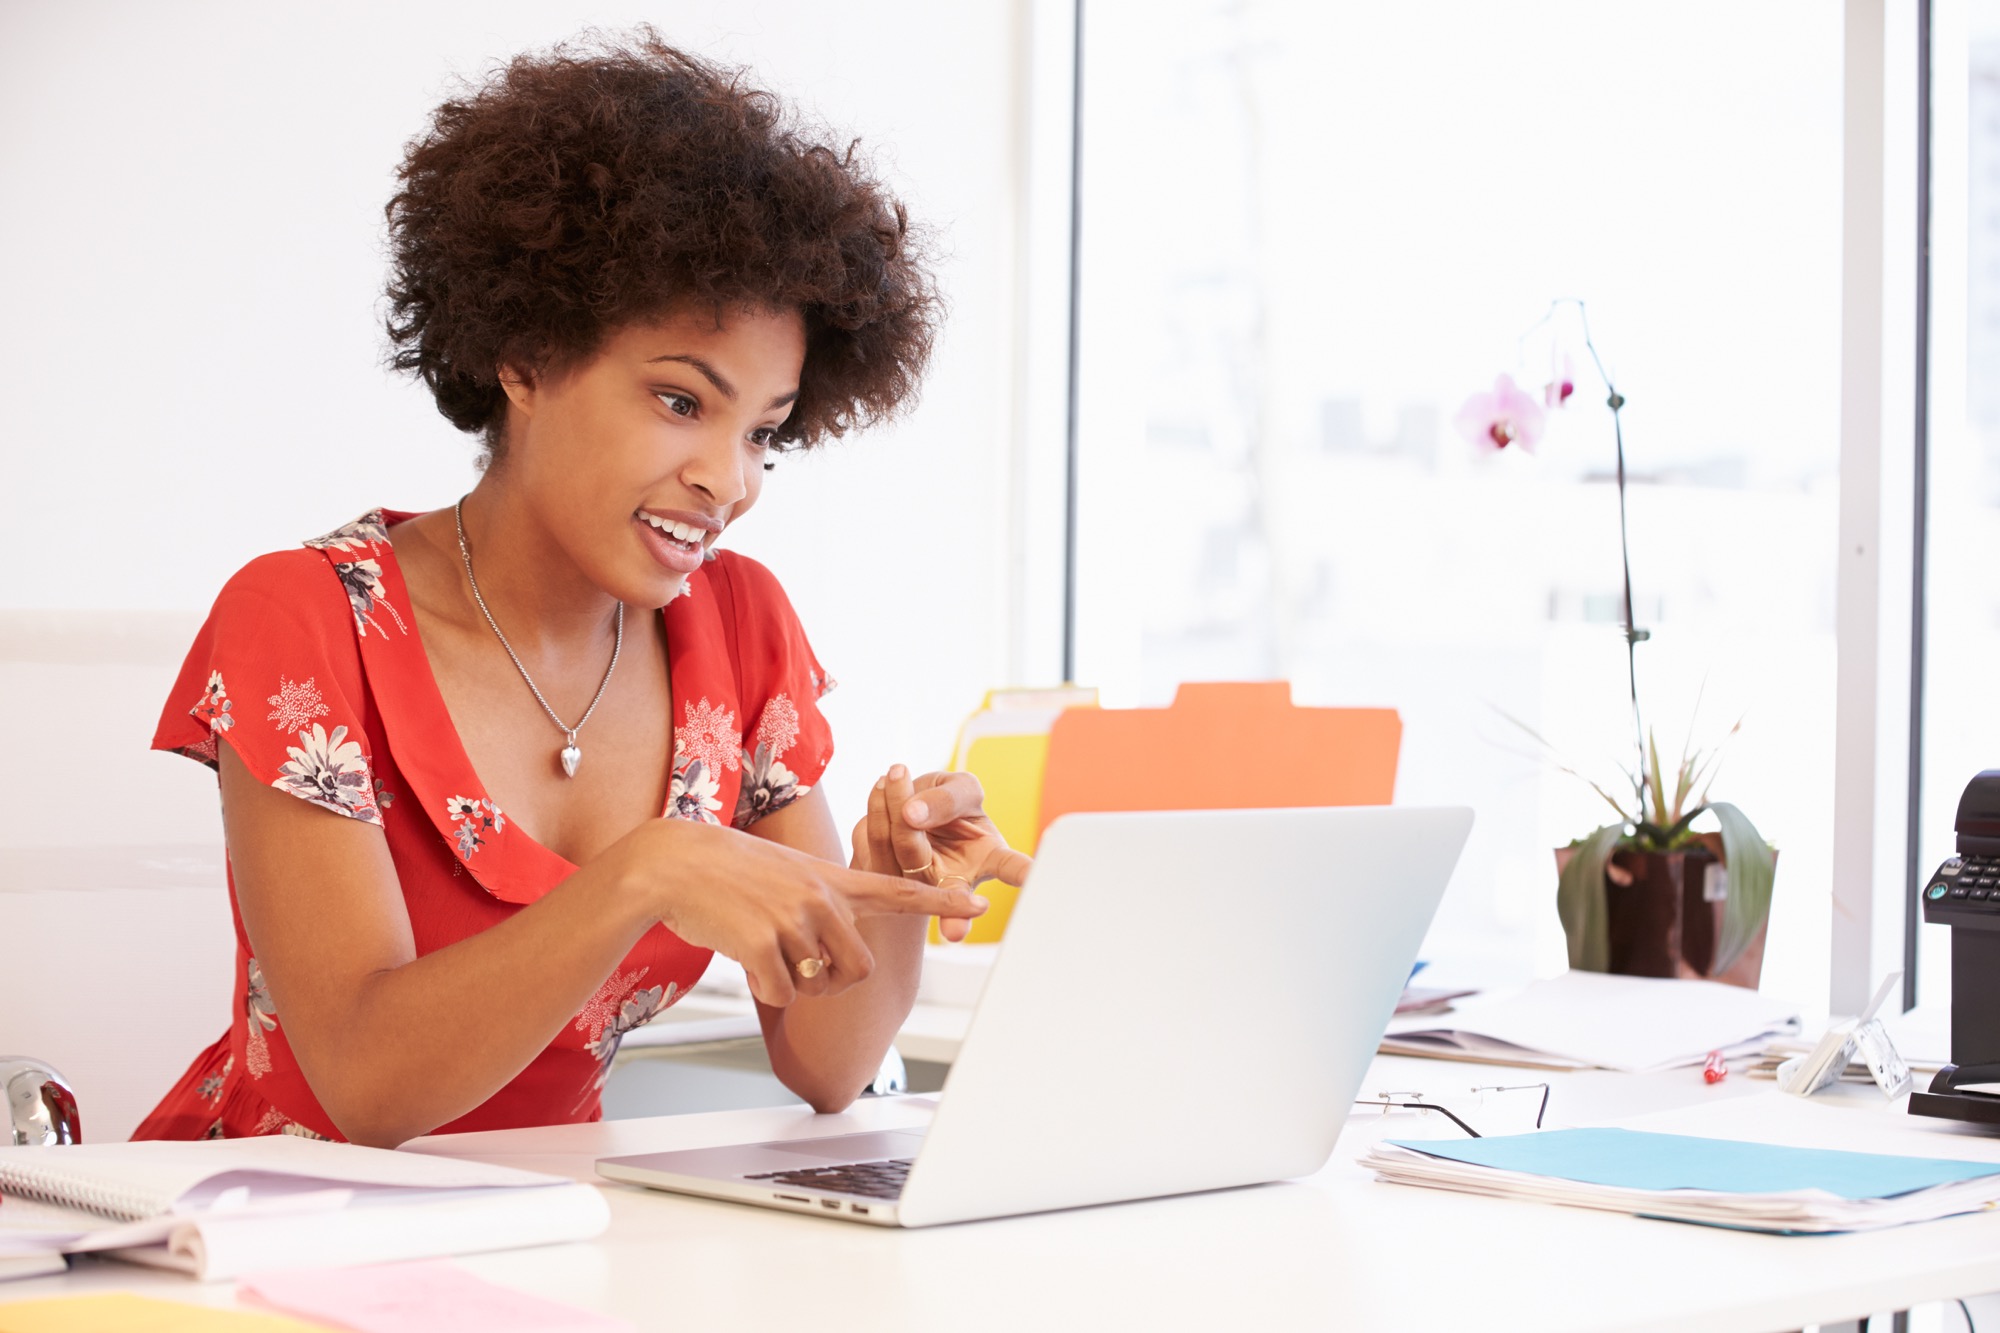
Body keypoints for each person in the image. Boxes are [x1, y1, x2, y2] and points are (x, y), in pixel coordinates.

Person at [133, 32, 1030, 1149]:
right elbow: (366, 1084)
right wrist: (642, 874)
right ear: (526, 354)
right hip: (255, 1240)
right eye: (678, 402)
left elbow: (830, 1062)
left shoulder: (739, 627)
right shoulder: (306, 620)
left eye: (763, 430)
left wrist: (880, 880)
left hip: (556, 1244)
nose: (729, 479)